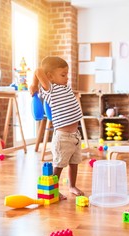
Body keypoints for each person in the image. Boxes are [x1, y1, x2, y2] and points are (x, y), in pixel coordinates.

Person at [29, 56, 84, 200]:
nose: (67, 78)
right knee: (58, 165)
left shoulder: (64, 87)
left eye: (67, 74)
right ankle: (52, 190)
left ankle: (72, 186)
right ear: (50, 77)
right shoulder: (50, 89)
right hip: (63, 137)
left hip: (75, 135)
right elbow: (38, 70)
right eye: (63, 75)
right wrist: (34, 85)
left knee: (74, 162)